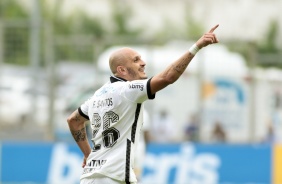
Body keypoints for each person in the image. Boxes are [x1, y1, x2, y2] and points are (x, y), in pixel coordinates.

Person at [67, 24, 219, 184]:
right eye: (136, 60)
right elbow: (167, 78)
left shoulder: (97, 95)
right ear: (122, 70)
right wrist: (196, 47)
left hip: (90, 178)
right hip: (113, 178)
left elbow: (74, 121)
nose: (143, 62)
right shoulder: (127, 90)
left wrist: (88, 155)